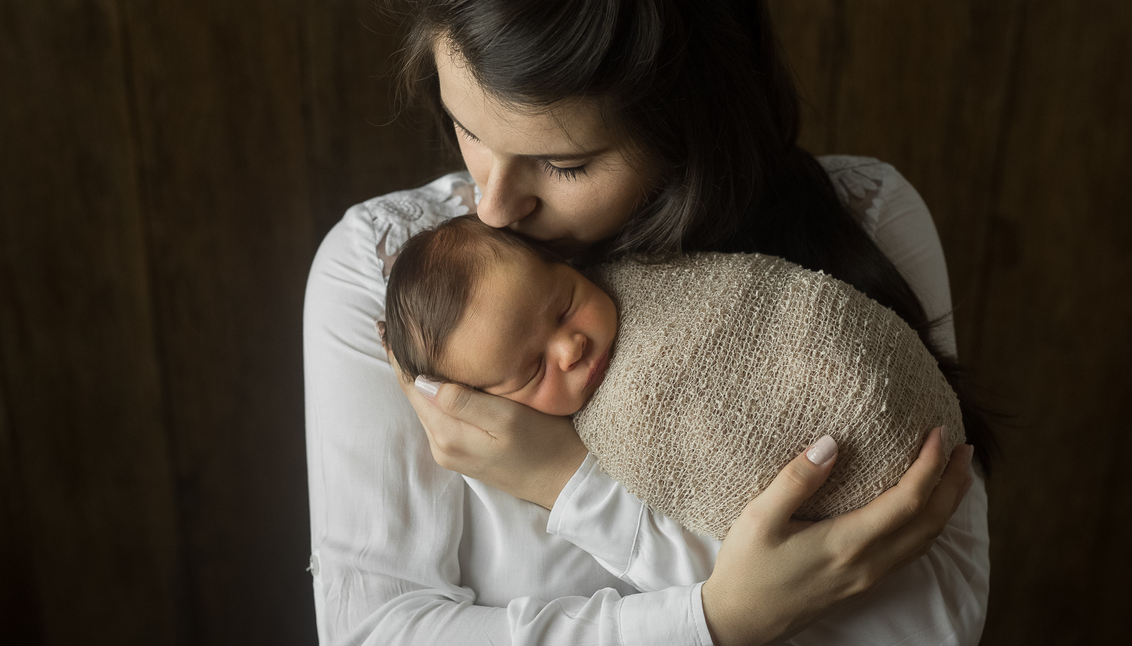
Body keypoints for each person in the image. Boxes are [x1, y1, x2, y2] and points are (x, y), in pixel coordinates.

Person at [303, 0, 990, 646]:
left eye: (564, 164)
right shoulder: (386, 270)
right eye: (470, 129)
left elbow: (939, 631)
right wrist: (720, 621)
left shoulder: (866, 221)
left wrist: (568, 481)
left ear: (692, 124)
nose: (493, 204)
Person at [379, 213, 967, 538]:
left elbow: (763, 298)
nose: (570, 347)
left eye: (563, 306)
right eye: (532, 370)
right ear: (481, 403)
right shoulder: (609, 433)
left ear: (566, 264)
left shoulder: (646, 272)